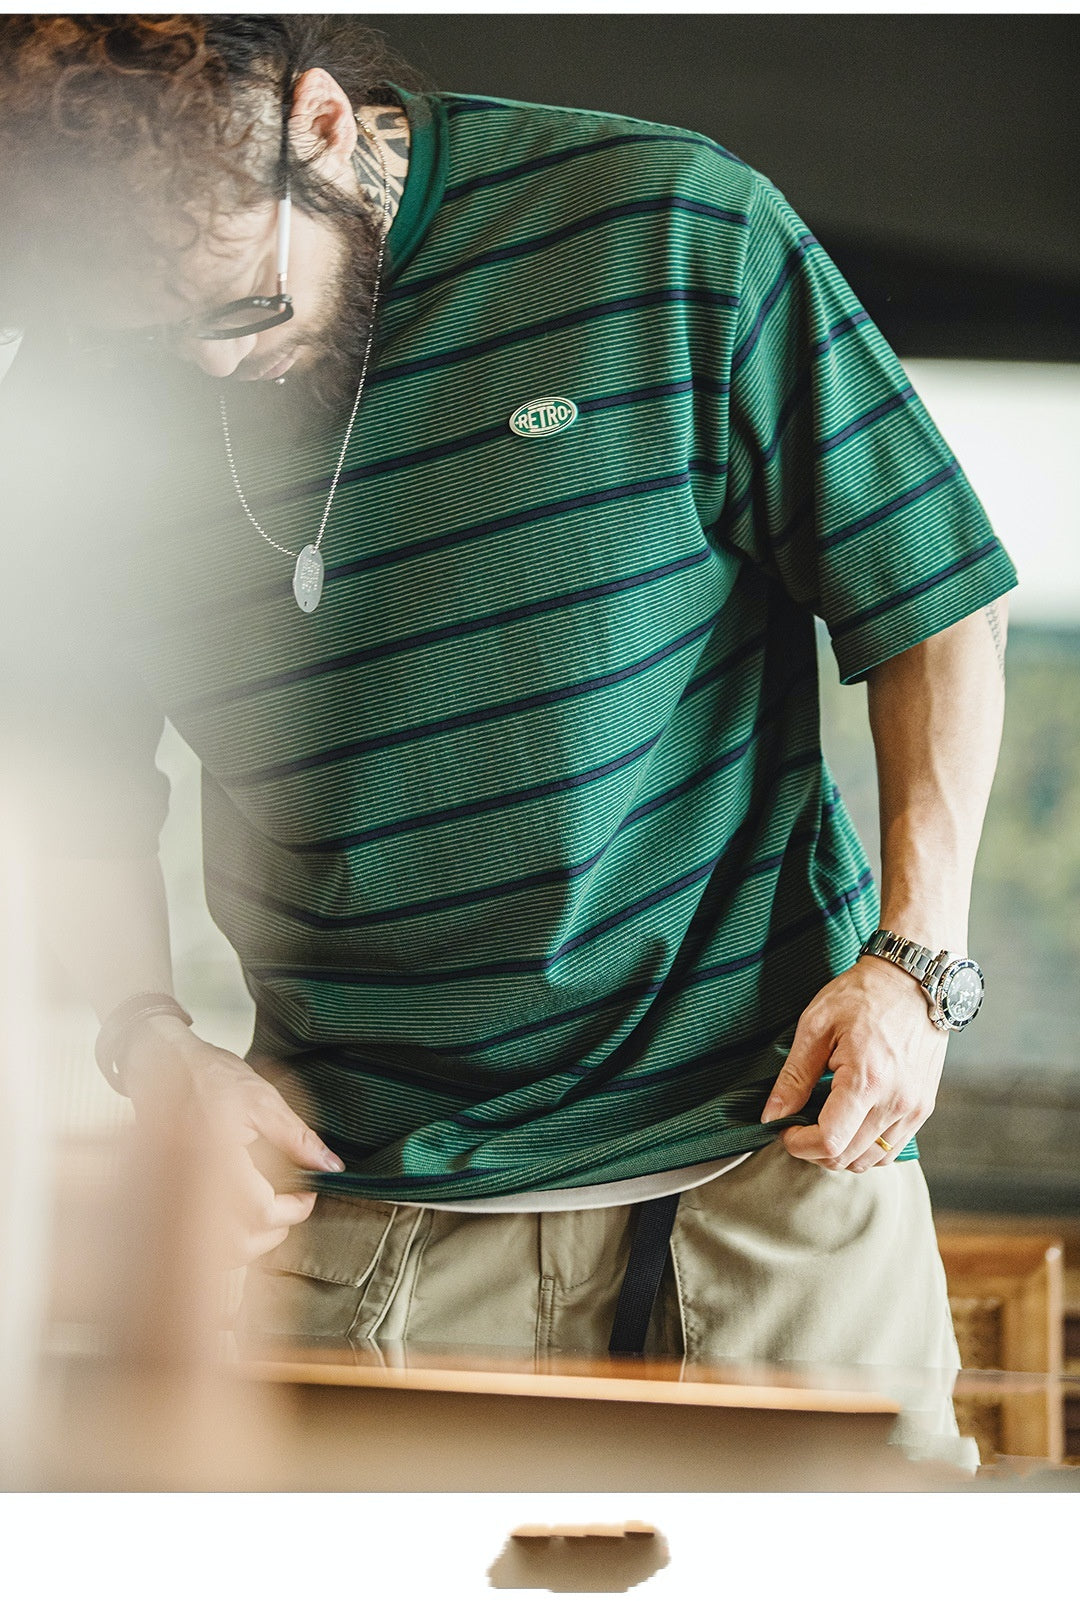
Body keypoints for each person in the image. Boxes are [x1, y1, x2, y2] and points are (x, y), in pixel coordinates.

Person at [1, 16, 1016, 1463]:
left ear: (322, 125)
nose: (203, 367)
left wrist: (917, 964)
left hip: (769, 1152)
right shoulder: (77, 381)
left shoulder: (672, 227)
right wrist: (147, 1037)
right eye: (141, 337)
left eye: (235, 308)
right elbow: (64, 774)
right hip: (362, 1191)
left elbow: (933, 599)